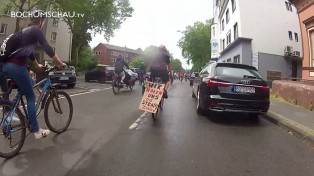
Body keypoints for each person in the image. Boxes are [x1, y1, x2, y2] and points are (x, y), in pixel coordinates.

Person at [3, 10, 66, 139]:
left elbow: (29, 52)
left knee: (30, 83)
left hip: (6, 66)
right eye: (43, 21)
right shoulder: (36, 31)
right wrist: (60, 63)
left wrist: (36, 65)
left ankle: (10, 110)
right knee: (31, 97)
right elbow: (47, 48)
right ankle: (37, 131)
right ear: (40, 21)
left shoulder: (26, 32)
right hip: (16, 66)